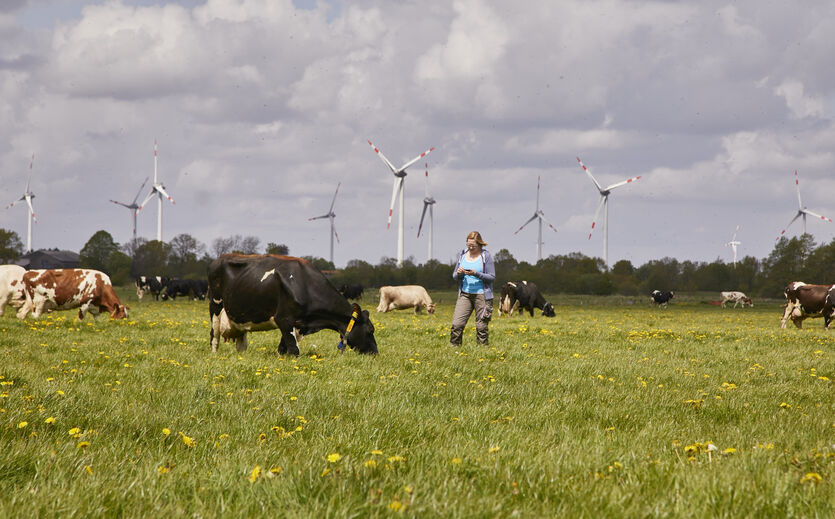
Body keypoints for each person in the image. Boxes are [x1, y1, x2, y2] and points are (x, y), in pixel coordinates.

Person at [450, 231, 495, 347]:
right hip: (465, 294)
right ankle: (454, 348)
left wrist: (476, 274)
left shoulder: (486, 256)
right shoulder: (462, 255)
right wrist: (459, 273)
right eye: (468, 245)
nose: (470, 248)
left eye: (473, 246)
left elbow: (491, 277)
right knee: (457, 324)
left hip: (482, 295)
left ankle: (482, 351)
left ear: (479, 244)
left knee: (481, 326)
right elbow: (454, 276)